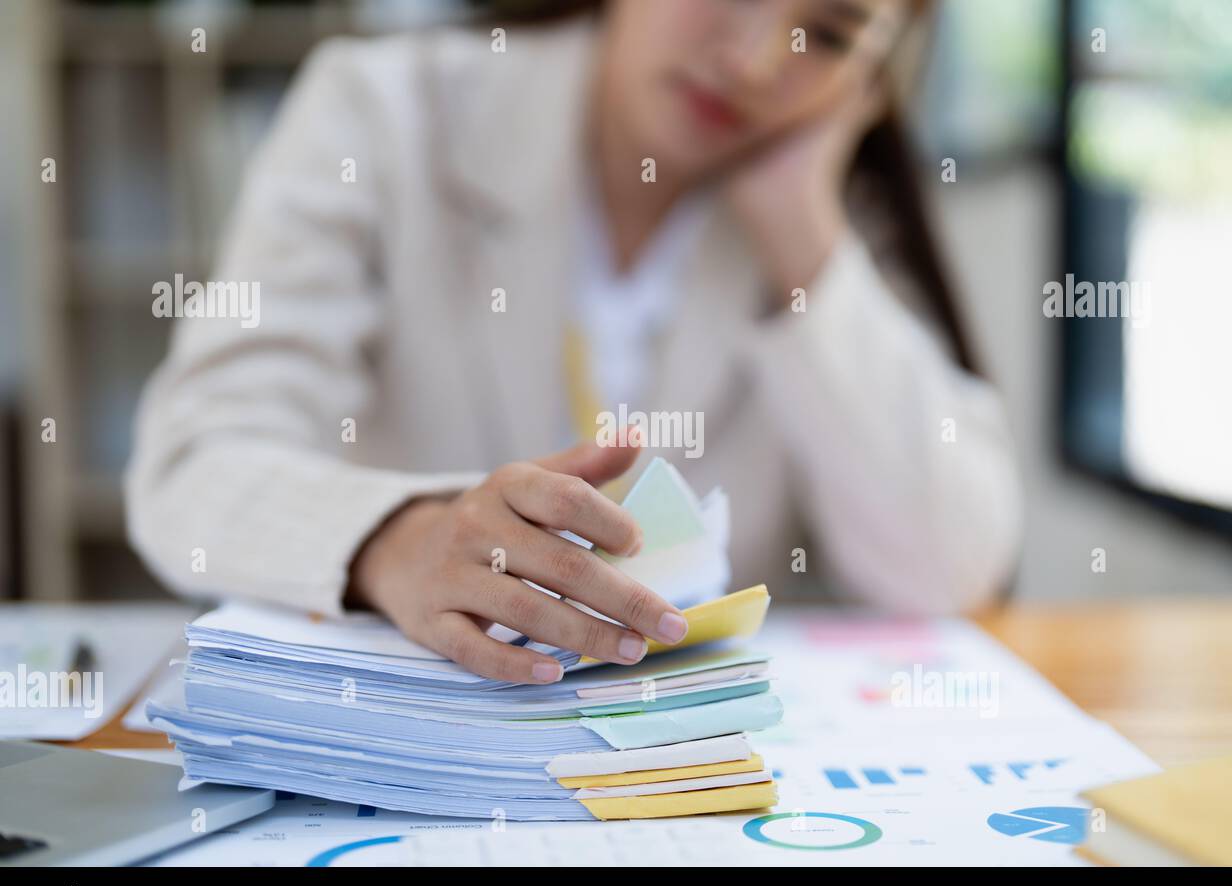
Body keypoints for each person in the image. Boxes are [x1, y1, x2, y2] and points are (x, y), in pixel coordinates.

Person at [126, 0, 1021, 684]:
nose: (752, 61)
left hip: (673, 777)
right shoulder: (381, 112)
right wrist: (397, 541)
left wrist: (802, 233)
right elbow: (195, 465)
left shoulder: (824, 221)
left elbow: (949, 567)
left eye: (825, 35)